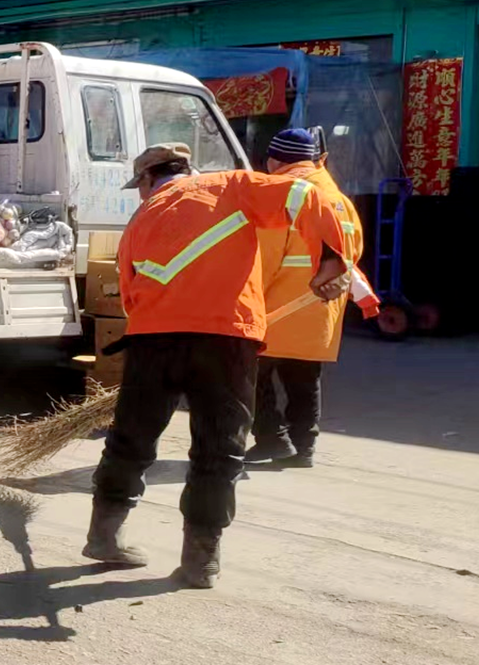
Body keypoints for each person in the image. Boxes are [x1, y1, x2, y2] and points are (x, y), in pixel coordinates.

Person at [86, 143, 352, 588]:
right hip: (225, 339)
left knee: (130, 438)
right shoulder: (233, 185)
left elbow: (129, 291)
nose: (140, 194)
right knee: (219, 448)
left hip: (152, 338)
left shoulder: (141, 219)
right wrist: (330, 256)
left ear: (151, 179)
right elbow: (307, 197)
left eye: (139, 186)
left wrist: (158, 326)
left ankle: (103, 536)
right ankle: (200, 561)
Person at [249, 128, 362, 468]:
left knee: (251, 374)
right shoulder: (340, 200)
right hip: (320, 305)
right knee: (304, 377)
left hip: (278, 306)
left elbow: (264, 257)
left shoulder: (283, 194)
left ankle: (272, 438)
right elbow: (353, 253)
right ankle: (305, 446)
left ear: (273, 160)